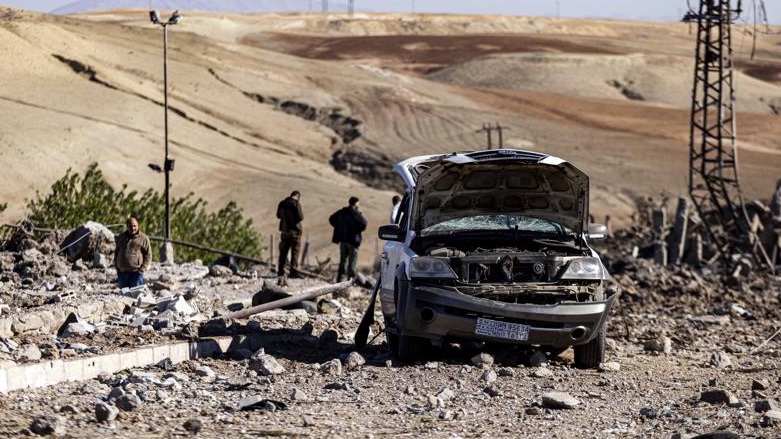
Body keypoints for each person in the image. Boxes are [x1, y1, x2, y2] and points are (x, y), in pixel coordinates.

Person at [329, 196, 368, 282]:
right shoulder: (355, 213)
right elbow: (364, 223)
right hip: (353, 241)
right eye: (358, 202)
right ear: (355, 203)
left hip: (343, 240)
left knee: (343, 261)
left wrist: (339, 228)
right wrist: (357, 230)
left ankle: (340, 280)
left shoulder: (342, 212)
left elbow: (331, 219)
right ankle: (351, 281)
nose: (359, 204)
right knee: (352, 262)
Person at [114, 215, 152, 289]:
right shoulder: (121, 237)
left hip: (136, 274)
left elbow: (148, 255)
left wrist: (141, 270)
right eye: (130, 226)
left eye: (135, 226)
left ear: (138, 226)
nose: (133, 228)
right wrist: (117, 267)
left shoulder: (143, 238)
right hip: (122, 273)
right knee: (123, 297)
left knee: (136, 296)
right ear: (127, 226)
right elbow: (116, 252)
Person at [276, 190, 304, 279]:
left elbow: (278, 215)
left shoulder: (282, 203)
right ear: (298, 197)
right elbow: (300, 217)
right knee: (295, 252)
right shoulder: (296, 204)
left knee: (283, 252)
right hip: (295, 232)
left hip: (284, 231)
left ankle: (280, 270)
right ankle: (293, 271)